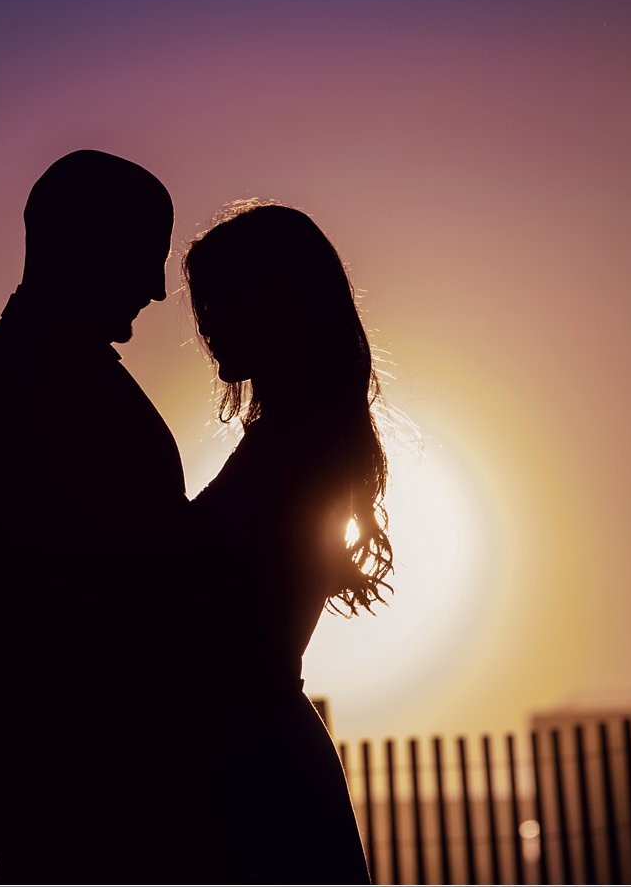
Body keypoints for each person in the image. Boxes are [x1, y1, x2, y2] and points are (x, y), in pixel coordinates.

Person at [0, 150, 217, 882]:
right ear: (86, 243)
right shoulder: (22, 380)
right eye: (144, 257)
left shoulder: (39, 369)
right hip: (78, 767)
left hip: (85, 763)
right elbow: (93, 580)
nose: (159, 292)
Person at [182, 202, 388, 883]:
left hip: (255, 774)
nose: (205, 320)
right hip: (258, 759)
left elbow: (220, 619)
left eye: (219, 297)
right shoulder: (298, 442)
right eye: (200, 302)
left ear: (275, 302)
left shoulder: (293, 450)